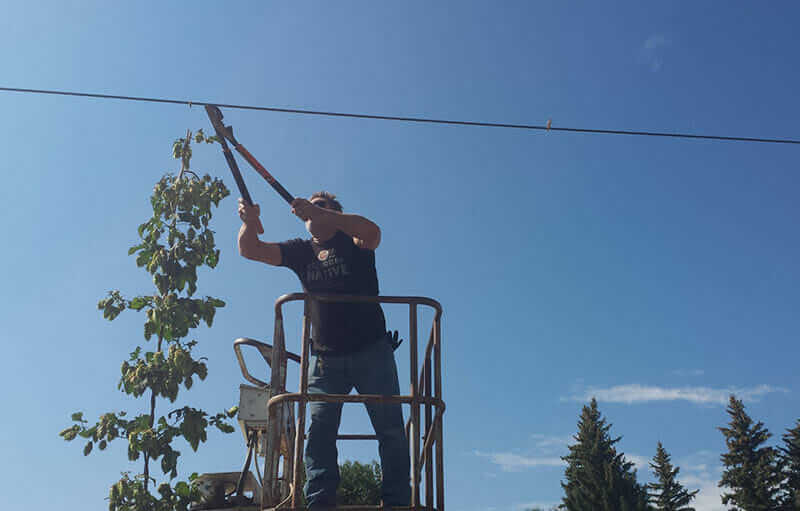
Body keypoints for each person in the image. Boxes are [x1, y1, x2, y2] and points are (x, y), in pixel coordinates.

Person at [237, 191, 410, 509]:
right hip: (325, 359)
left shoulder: (353, 240)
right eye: (310, 209)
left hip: (372, 351)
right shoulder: (300, 251)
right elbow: (251, 250)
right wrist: (249, 222)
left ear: (334, 213)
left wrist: (326, 218)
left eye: (322, 206)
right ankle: (319, 503)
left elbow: (373, 232)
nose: (313, 212)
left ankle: (398, 503)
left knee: (390, 430)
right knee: (317, 432)